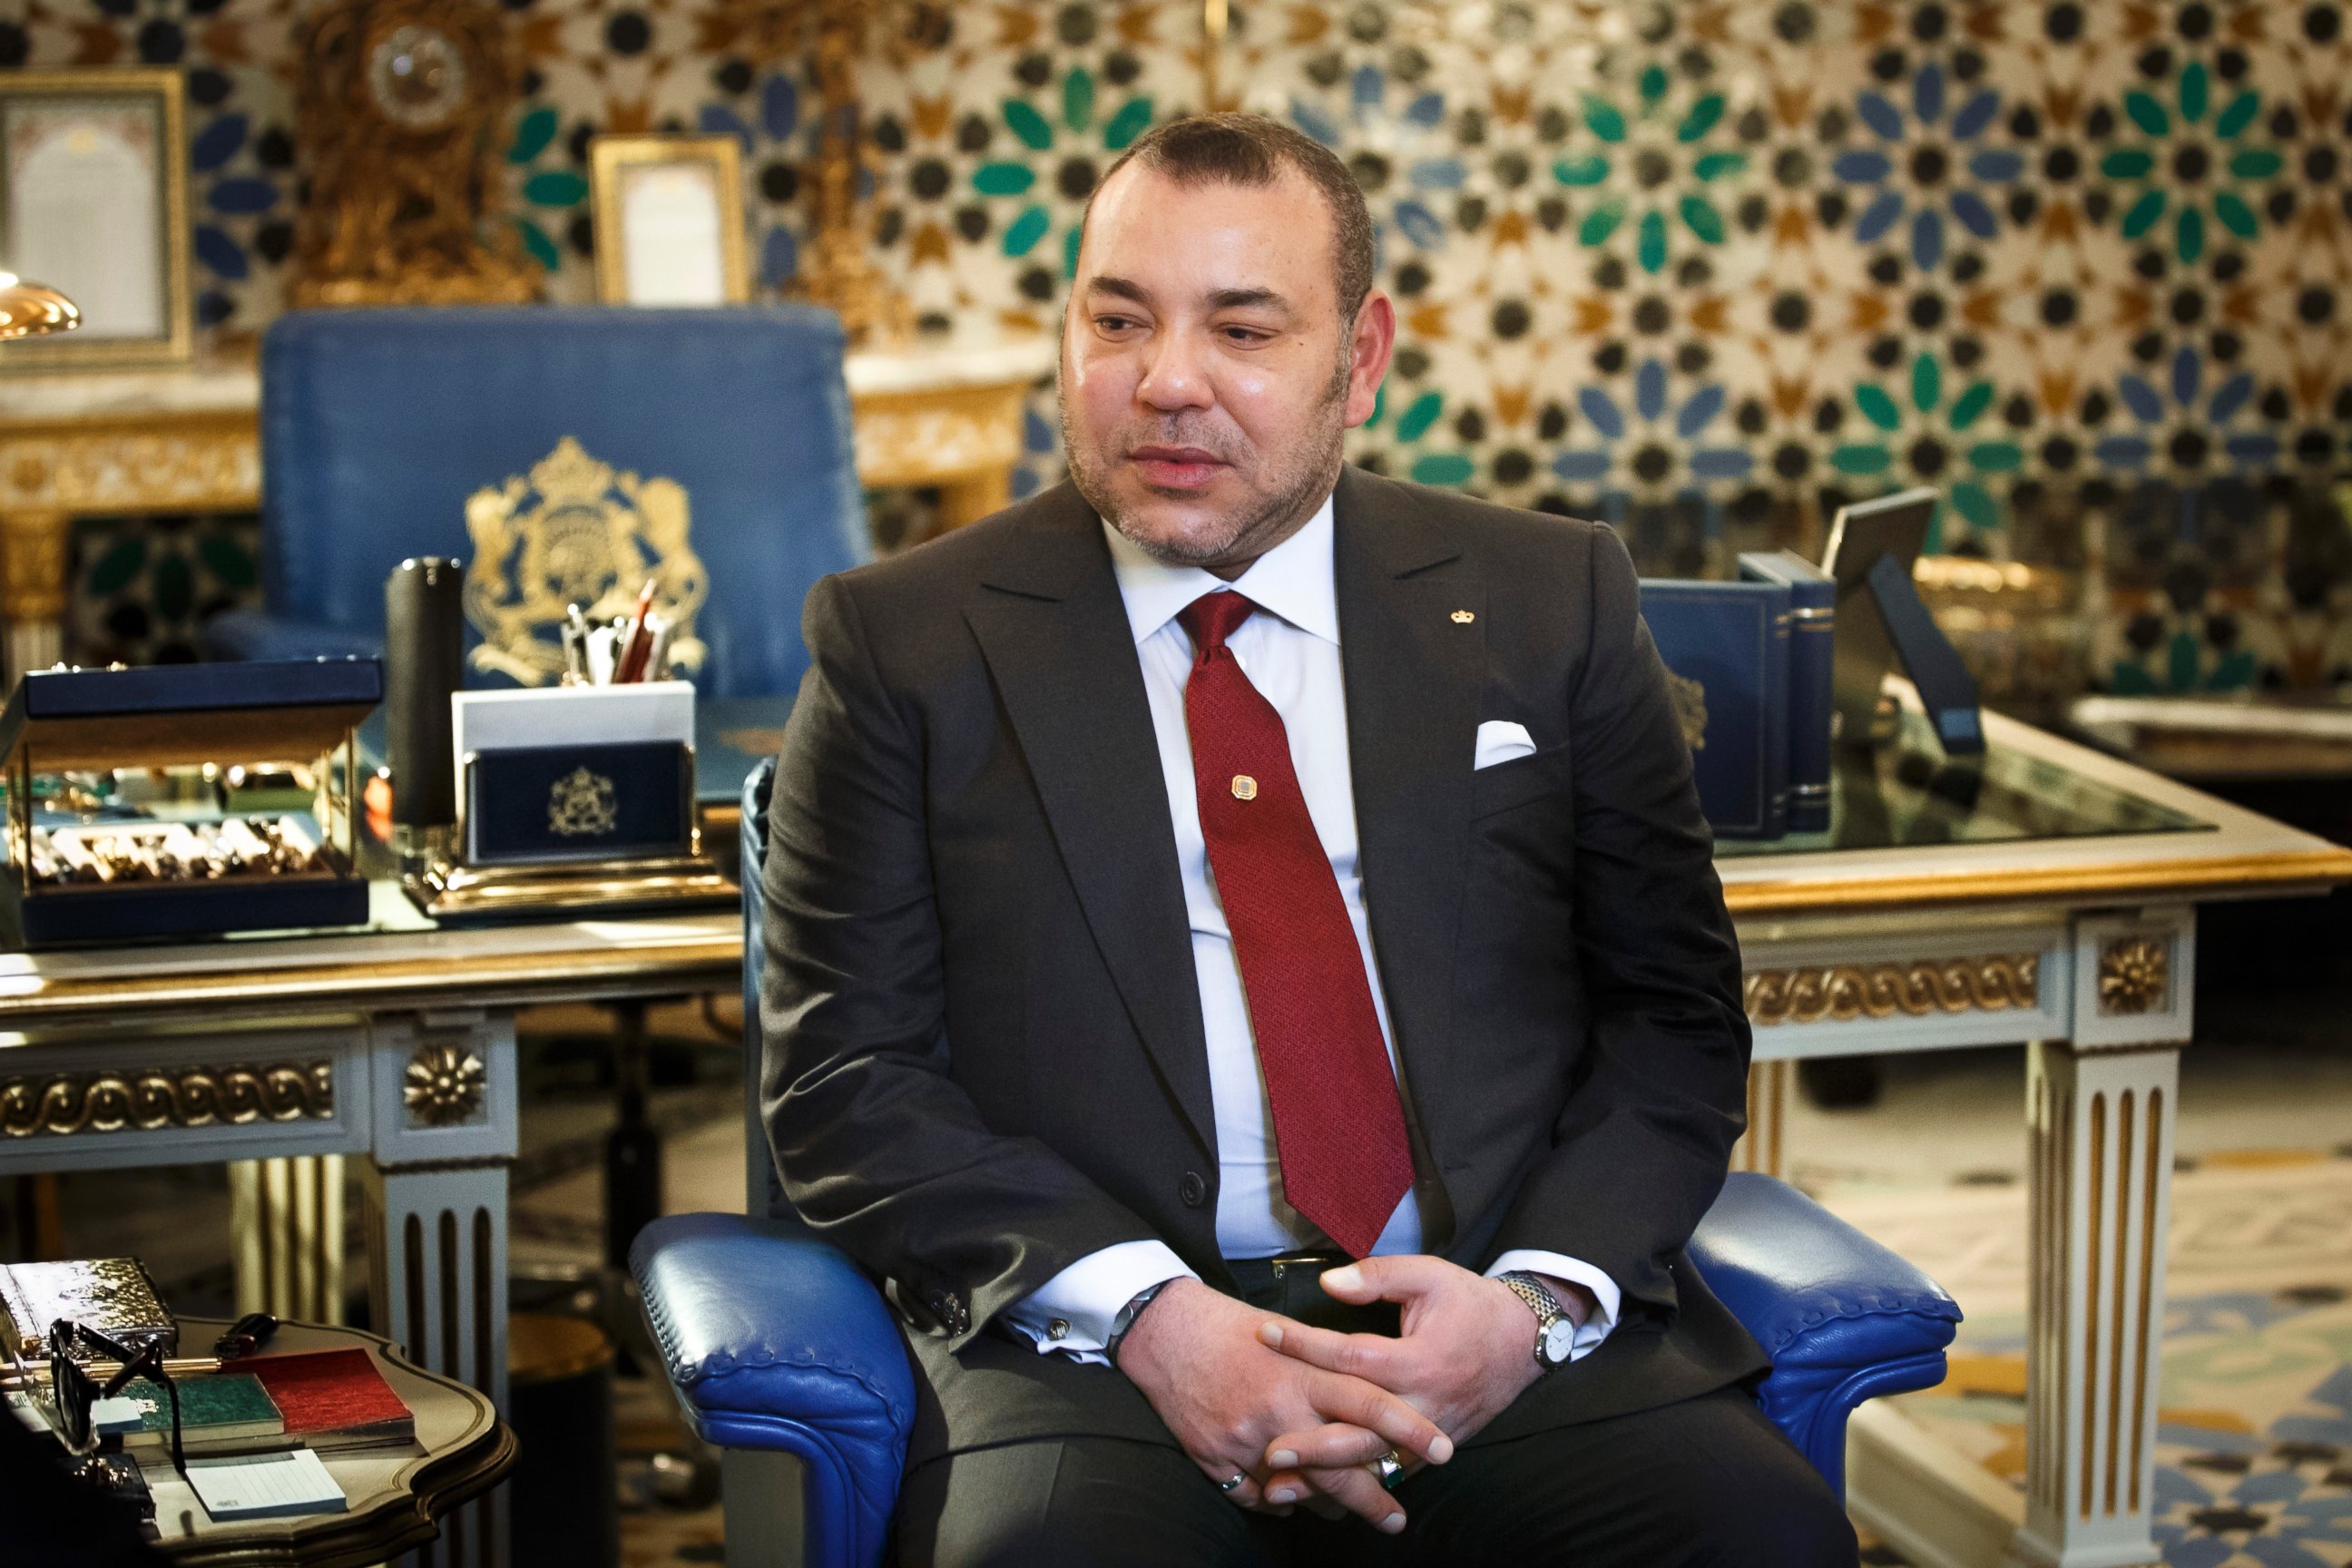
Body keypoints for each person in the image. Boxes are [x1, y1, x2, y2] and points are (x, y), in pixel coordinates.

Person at [761, 112, 1857, 1566]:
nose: (1165, 383)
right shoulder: (903, 642)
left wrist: (1530, 1305)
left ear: (1364, 359)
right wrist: (1152, 1317)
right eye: (1118, 319)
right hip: (1098, 1357)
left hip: (1487, 1328)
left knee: (1758, 1546)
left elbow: (1673, 1016)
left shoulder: (1550, 598)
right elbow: (847, 1079)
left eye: (1244, 329)